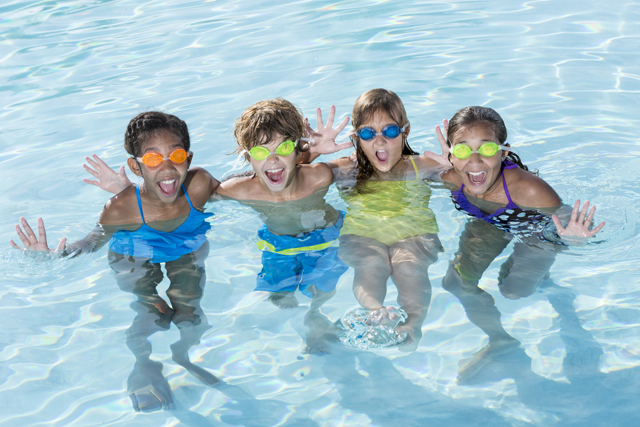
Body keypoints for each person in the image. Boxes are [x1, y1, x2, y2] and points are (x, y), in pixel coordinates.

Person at [84, 99, 352, 354]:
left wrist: (313, 151)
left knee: (321, 288)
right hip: (277, 245)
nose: (272, 160)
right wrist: (128, 191)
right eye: (261, 152)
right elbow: (171, 194)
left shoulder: (321, 176)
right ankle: (296, 322)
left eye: (283, 148)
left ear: (296, 147)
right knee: (278, 296)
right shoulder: (237, 190)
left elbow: (361, 167)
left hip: (325, 238)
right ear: (248, 158)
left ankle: (315, 317)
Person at [10, 111, 222, 411]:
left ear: (188, 158)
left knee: (190, 312)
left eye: (175, 155)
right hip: (134, 251)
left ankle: (183, 357)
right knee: (153, 311)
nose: (167, 167)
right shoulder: (121, 208)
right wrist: (54, 256)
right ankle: (144, 365)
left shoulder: (199, 184)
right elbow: (91, 241)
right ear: (136, 166)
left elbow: (242, 188)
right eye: (152, 159)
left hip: (183, 246)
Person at [426, 105, 605, 382]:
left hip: (535, 230)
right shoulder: (448, 176)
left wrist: (569, 240)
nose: (474, 162)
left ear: (503, 152)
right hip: (491, 223)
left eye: (486, 149)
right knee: (456, 283)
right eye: (462, 149)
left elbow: (565, 218)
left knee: (513, 290)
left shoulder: (529, 189)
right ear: (451, 153)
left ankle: (560, 296)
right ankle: (500, 341)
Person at [305, 89, 450, 351]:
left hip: (414, 232)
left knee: (408, 265)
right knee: (371, 262)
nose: (380, 141)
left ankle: (413, 324)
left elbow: (473, 183)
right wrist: (311, 154)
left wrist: (457, 165)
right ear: (356, 137)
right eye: (368, 133)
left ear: (405, 132)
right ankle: (378, 312)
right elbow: (292, 180)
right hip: (363, 234)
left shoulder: (424, 166)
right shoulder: (345, 169)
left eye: (390, 131)